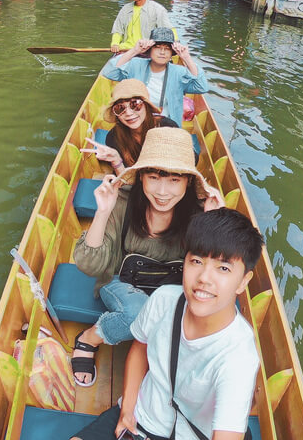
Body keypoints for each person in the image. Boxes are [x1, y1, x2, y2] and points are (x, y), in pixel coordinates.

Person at [41, 205, 263, 440]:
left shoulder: (237, 355)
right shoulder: (165, 300)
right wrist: (128, 407)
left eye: (223, 268)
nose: (205, 279)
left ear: (244, 280)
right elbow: (140, 348)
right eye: (196, 262)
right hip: (141, 420)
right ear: (185, 262)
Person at [68, 127, 223, 387]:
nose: (163, 191)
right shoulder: (123, 203)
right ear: (141, 178)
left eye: (174, 180)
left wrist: (213, 224)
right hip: (121, 281)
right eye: (154, 177)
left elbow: (208, 276)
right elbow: (89, 265)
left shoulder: (199, 213)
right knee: (139, 314)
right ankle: (89, 337)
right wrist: (102, 212)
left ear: (187, 182)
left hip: (173, 289)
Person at [102, 28, 207, 124]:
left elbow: (201, 87)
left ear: (172, 53)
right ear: (150, 50)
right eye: (157, 47)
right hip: (135, 121)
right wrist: (135, 51)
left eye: (167, 48)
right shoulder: (136, 64)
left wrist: (187, 58)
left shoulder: (179, 72)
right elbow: (109, 72)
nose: (162, 52)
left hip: (167, 123)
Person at [81, 79, 178, 175]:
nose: (128, 113)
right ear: (116, 114)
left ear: (146, 106)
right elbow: (125, 180)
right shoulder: (114, 137)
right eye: (120, 108)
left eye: (135, 104)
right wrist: (116, 161)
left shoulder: (167, 126)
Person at [109, 0, 175, 54]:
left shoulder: (157, 9)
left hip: (147, 51)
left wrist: (176, 44)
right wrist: (115, 44)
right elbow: (118, 30)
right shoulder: (125, 9)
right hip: (126, 50)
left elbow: (169, 30)